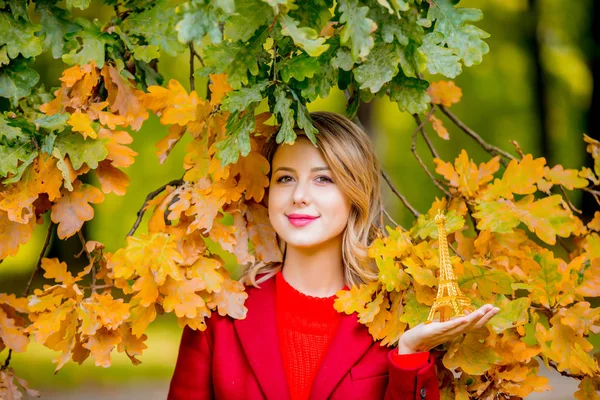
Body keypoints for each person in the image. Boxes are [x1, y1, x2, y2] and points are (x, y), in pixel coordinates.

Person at [167, 111, 500, 400]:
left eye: (322, 179)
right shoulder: (218, 317)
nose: (299, 195)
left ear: (355, 192)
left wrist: (410, 355)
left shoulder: (391, 318)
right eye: (285, 178)